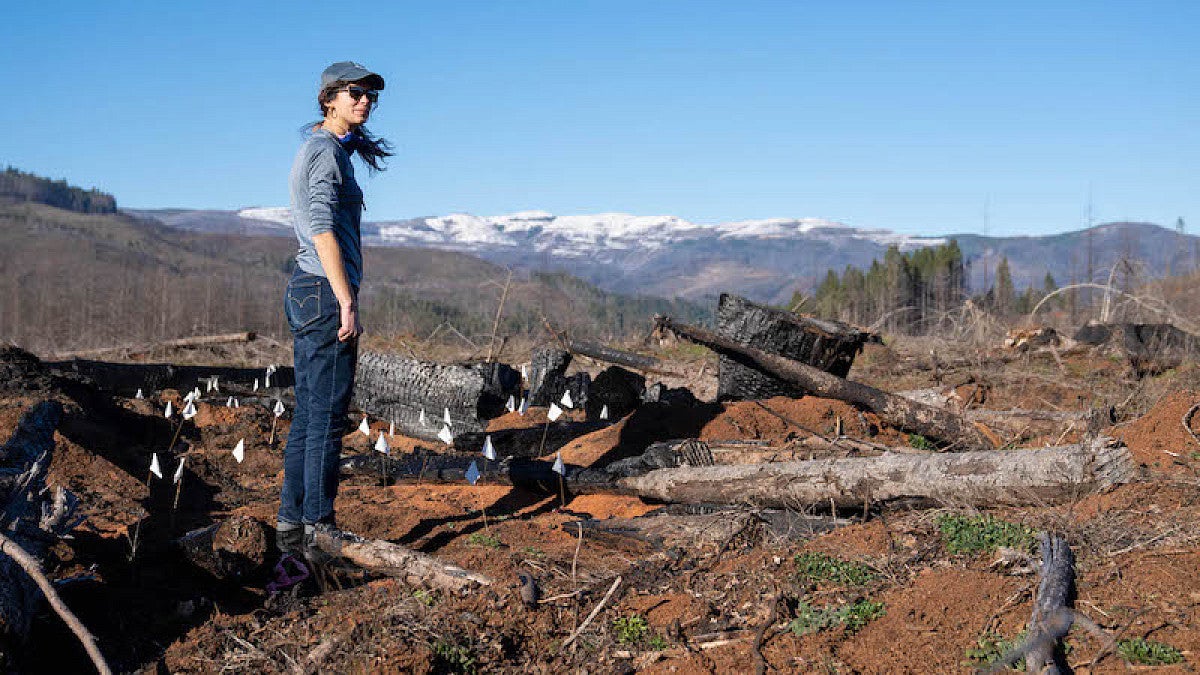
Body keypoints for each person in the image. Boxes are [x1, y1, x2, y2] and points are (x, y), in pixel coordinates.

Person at [277, 61, 392, 565]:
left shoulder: (327, 151)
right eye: (355, 92)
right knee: (326, 418)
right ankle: (319, 533)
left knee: (309, 414)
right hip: (324, 292)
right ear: (329, 99)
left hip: (310, 290)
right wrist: (346, 298)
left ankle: (291, 525)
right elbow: (321, 229)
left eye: (370, 95)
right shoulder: (323, 153)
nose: (364, 100)